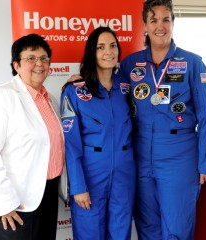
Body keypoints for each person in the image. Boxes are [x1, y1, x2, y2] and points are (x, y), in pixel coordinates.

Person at [117, 0, 206, 239]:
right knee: (147, 226)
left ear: (173, 23)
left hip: (179, 156)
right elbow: (111, 95)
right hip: (140, 155)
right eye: (153, 20)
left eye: (166, 19)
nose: (160, 26)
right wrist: (83, 80)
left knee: (176, 228)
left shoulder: (192, 63)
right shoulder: (130, 64)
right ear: (144, 25)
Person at [0, 33, 65, 240]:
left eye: (44, 58)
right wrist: (5, 203)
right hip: (14, 198)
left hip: (46, 193)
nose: (39, 64)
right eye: (30, 58)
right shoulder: (1, 96)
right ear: (16, 65)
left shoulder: (49, 100)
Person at [60, 26, 136, 240]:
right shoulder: (74, 90)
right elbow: (71, 145)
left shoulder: (127, 86)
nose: (108, 52)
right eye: (101, 47)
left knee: (121, 233)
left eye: (113, 46)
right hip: (90, 175)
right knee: (89, 233)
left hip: (124, 174)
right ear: (92, 52)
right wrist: (78, 186)